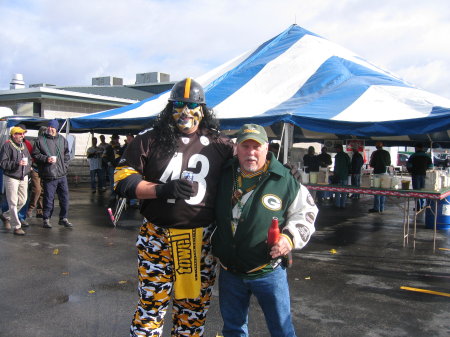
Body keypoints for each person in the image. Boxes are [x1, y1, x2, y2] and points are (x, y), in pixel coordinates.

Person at [114, 78, 235, 336]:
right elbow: (122, 180)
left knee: (192, 309)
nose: (186, 112)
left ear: (203, 110)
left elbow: (250, 162)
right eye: (179, 104)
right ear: (169, 108)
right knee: (151, 305)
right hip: (157, 237)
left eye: (192, 105)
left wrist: (277, 170)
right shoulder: (149, 139)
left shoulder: (220, 144)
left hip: (199, 240)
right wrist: (160, 189)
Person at [211, 124, 318, 337]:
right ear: (237, 148)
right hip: (229, 271)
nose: (251, 152)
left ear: (266, 148)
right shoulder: (223, 172)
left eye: (256, 146)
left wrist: (289, 238)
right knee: (233, 329)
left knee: (282, 330)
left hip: (268, 271)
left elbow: (306, 213)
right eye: (245, 146)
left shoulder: (285, 179)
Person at [32, 119, 73, 228]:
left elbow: (67, 155)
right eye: (49, 127)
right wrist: (46, 159)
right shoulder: (40, 140)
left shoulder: (62, 139)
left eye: (52, 127)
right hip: (49, 174)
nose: (50, 129)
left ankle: (63, 218)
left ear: (57, 129)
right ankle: (46, 219)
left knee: (64, 198)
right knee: (49, 198)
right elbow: (35, 154)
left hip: (62, 174)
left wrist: (65, 166)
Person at [0, 126, 32, 235]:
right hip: (11, 177)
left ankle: (5, 215)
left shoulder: (23, 146)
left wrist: (28, 167)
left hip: (23, 176)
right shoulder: (7, 145)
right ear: (14, 135)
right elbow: (3, 163)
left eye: (23, 134)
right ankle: (17, 226)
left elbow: (29, 159)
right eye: (20, 134)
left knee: (23, 200)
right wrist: (16, 164)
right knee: (13, 202)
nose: (22, 136)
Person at [27, 126, 47, 219]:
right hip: (35, 168)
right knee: (37, 189)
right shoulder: (34, 143)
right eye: (43, 132)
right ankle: (30, 209)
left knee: (43, 190)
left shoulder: (48, 143)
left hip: (45, 169)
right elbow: (29, 155)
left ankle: (40, 210)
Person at [407, 143, 433, 209]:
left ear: (417, 148)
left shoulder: (413, 155)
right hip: (424, 175)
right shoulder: (427, 156)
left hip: (415, 174)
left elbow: (409, 165)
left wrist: (410, 171)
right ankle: (422, 205)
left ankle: (418, 206)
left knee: (416, 191)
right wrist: (425, 169)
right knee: (423, 190)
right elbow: (431, 166)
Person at [368, 142, 391, 213]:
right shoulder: (387, 153)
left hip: (377, 173)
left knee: (377, 191)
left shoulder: (375, 153)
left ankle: (376, 208)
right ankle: (382, 208)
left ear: (376, 147)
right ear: (382, 146)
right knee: (383, 191)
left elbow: (371, 164)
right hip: (385, 173)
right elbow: (389, 163)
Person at [333, 144, 351, 209]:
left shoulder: (337, 156)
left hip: (338, 176)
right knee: (344, 191)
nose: (336, 150)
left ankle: (337, 205)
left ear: (339, 149)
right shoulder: (346, 155)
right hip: (345, 176)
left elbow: (336, 166)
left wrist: (335, 173)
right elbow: (349, 165)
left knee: (338, 191)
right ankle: (343, 205)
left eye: (336, 149)